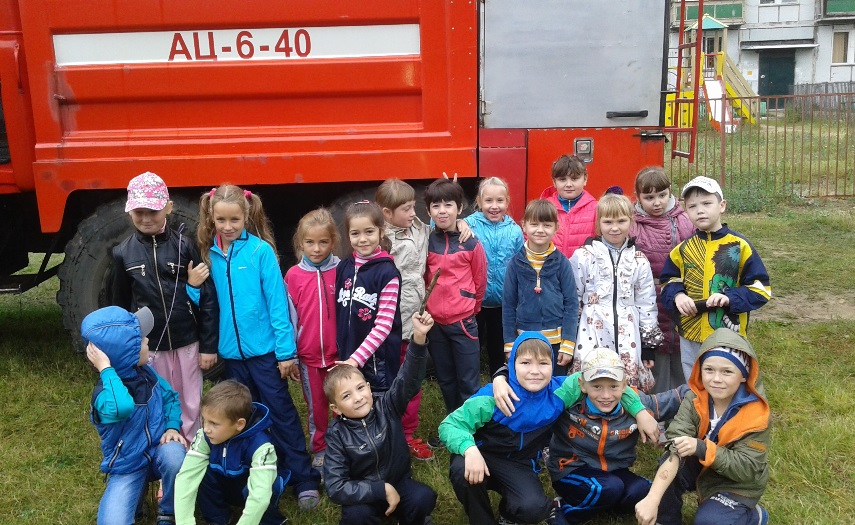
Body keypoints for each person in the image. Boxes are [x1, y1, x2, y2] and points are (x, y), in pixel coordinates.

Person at [440, 331, 659, 525]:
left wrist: (640, 411)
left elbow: (606, 380)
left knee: (535, 509)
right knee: (461, 470)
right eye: (526, 363)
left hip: (519, 463)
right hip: (481, 455)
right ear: (513, 364)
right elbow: (449, 425)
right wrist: (469, 450)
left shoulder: (561, 391)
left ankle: (509, 512)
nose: (535, 371)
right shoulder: (494, 397)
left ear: (553, 364)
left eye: (543, 364)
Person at [196, 184, 321, 509]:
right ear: (211, 217)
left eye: (234, 219)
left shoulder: (260, 252)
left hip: (266, 355)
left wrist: (286, 353)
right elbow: (205, 301)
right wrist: (193, 289)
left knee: (281, 413)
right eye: (221, 220)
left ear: (246, 216)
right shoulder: (208, 254)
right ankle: (256, 473)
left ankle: (304, 478)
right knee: (243, 417)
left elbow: (278, 305)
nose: (228, 226)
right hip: (232, 358)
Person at [111, 171, 219, 443]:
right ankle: (164, 450)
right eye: (139, 212)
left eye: (153, 211)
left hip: (187, 341)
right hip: (151, 347)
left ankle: (192, 447)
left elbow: (207, 299)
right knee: (158, 397)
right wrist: (126, 348)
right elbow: (119, 306)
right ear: (129, 211)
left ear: (168, 208)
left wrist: (208, 346)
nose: (146, 218)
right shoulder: (123, 253)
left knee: (190, 400)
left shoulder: (185, 246)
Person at [635, 328, 770, 525]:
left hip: (736, 483)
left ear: (743, 375)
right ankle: (665, 520)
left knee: (709, 522)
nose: (716, 379)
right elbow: (675, 444)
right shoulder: (694, 398)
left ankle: (753, 516)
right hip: (701, 466)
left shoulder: (756, 414)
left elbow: (747, 468)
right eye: (709, 370)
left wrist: (702, 448)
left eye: (727, 372)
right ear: (699, 369)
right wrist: (652, 499)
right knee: (670, 459)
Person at [546, 348, 688, 525]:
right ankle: (564, 510)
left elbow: (675, 398)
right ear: (582, 384)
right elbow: (536, 400)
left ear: (624, 384)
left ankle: (604, 503)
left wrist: (707, 383)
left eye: (613, 386)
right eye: (597, 386)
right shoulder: (569, 402)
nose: (606, 395)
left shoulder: (638, 406)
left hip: (614, 472)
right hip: (572, 469)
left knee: (644, 491)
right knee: (609, 487)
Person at [323, 311, 438, 525]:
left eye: (360, 388)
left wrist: (419, 337)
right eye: (346, 396)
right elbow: (335, 486)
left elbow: (408, 380)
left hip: (399, 483)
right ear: (335, 408)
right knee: (356, 517)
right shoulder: (336, 434)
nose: (358, 398)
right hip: (365, 494)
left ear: (369, 387)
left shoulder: (387, 406)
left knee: (423, 498)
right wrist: (379, 489)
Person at [660, 176, 771, 382]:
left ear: (722, 206)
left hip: (727, 336)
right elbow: (668, 281)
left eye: (706, 203)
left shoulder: (739, 246)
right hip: (690, 333)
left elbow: (761, 289)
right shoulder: (682, 249)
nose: (700, 210)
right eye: (692, 206)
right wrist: (677, 296)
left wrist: (730, 298)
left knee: (725, 383)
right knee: (694, 383)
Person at [84, 306, 187, 525]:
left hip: (158, 451)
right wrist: (106, 369)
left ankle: (168, 511)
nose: (147, 340)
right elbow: (122, 407)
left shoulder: (146, 373)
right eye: (140, 340)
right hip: (127, 466)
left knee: (175, 456)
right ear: (125, 354)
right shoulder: (104, 396)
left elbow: (170, 397)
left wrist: (171, 427)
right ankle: (137, 502)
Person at [569, 193, 661, 392]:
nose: (615, 228)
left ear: (631, 221)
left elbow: (646, 303)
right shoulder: (584, 256)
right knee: (591, 382)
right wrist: (569, 337)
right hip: (591, 331)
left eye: (621, 221)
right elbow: (572, 299)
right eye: (608, 222)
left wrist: (648, 346)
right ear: (599, 223)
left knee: (625, 388)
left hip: (628, 334)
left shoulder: (638, 260)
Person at [174, 380, 289, 525]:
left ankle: (270, 521)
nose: (206, 428)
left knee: (268, 486)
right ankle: (218, 519)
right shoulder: (204, 436)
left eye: (214, 423)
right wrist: (184, 522)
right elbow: (186, 478)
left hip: (254, 489)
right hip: (224, 483)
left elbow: (260, 497)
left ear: (239, 424)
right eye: (204, 420)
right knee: (199, 472)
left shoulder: (261, 446)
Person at [376, 179, 433, 460]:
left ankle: (408, 433)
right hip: (391, 323)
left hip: (415, 321)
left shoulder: (419, 228)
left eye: (413, 207)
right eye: (406, 209)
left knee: (413, 378)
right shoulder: (380, 239)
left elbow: (440, 227)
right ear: (387, 213)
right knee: (390, 379)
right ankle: (387, 428)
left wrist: (461, 222)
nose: (413, 213)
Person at [284, 208, 341, 475]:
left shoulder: (343, 270)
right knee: (316, 406)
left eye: (323, 242)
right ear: (300, 243)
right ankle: (320, 449)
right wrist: (293, 356)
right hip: (308, 358)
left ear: (333, 241)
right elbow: (289, 318)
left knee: (343, 402)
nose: (316, 249)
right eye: (309, 242)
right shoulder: (293, 276)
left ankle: (345, 445)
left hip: (339, 356)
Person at [423, 177, 487, 414]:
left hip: (463, 323)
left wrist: (471, 308)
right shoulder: (426, 241)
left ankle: (471, 425)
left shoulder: (470, 243)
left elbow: (480, 280)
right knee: (446, 378)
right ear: (428, 211)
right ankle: (453, 422)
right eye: (436, 206)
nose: (442, 211)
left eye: (448, 205)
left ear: (459, 208)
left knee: (468, 381)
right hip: (435, 324)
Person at [630, 166, 695, 390]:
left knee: (682, 354)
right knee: (654, 357)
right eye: (649, 198)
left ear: (670, 191)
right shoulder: (632, 225)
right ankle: (655, 406)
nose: (656, 202)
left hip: (682, 297)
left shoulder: (686, 221)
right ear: (638, 197)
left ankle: (685, 402)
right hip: (647, 300)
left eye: (662, 195)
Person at [334, 200, 403, 395]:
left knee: (378, 406)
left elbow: (384, 326)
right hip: (348, 356)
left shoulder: (387, 273)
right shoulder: (344, 267)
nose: (362, 239)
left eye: (369, 231)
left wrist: (357, 359)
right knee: (350, 401)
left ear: (381, 232)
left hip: (377, 363)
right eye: (355, 233)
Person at [502, 199, 577, 376]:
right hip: (524, 340)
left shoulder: (562, 263)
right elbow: (508, 305)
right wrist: (509, 342)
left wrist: (568, 344)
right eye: (534, 224)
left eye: (547, 225)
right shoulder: (515, 263)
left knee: (556, 386)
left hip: (556, 342)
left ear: (556, 227)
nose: (540, 230)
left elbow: (571, 304)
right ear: (524, 226)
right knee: (528, 381)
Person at [464, 177, 524, 375]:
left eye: (500, 200)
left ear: (507, 201)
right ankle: (471, 376)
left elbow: (519, 264)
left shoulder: (514, 231)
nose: (494, 206)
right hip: (476, 300)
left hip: (503, 301)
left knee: (498, 342)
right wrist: (456, 217)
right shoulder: (469, 225)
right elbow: (441, 227)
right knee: (473, 340)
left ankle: (498, 375)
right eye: (488, 201)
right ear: (479, 202)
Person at [540, 154, 597, 257]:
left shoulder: (596, 209)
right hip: (551, 266)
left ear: (585, 179)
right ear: (554, 182)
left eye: (574, 179)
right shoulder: (543, 208)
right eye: (562, 179)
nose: (569, 184)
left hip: (583, 267)